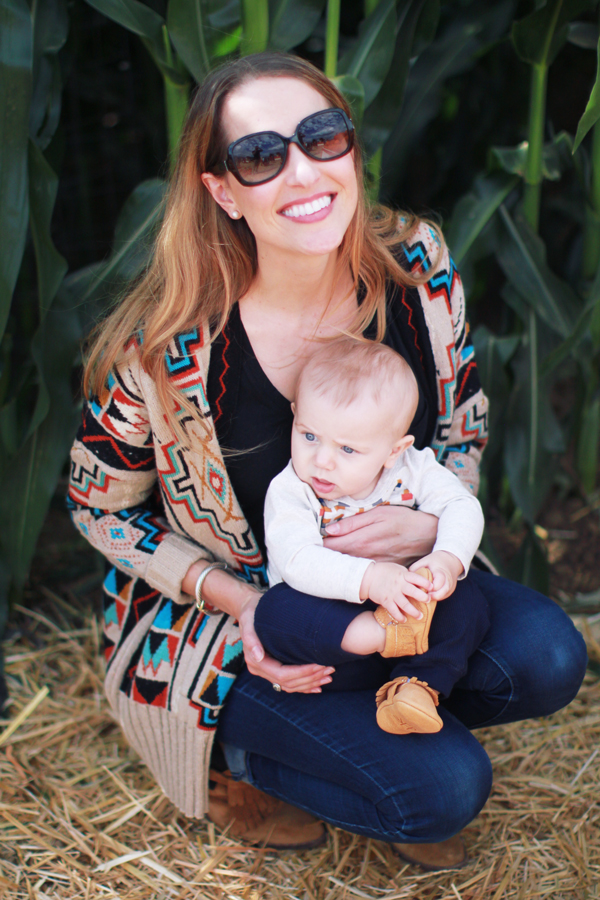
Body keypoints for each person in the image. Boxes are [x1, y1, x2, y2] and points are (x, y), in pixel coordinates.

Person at [68, 51, 587, 869]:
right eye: (261, 156)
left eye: (323, 137)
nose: (303, 171)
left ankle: (395, 714)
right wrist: (237, 601)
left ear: (351, 147)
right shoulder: (165, 354)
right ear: (222, 190)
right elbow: (97, 503)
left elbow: (460, 425)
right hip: (245, 627)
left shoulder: (417, 267)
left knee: (550, 657)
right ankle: (249, 767)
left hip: (395, 589)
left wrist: (423, 531)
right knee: (441, 795)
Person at [257, 338, 490, 736]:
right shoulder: (291, 490)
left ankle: (417, 689)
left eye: (348, 449)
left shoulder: (412, 469)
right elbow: (295, 560)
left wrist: (447, 559)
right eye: (309, 436)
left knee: (468, 601)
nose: (322, 460)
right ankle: (388, 638)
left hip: (411, 615)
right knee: (274, 613)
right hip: (337, 641)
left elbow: (461, 505)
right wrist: (372, 581)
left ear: (393, 450)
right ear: (295, 417)